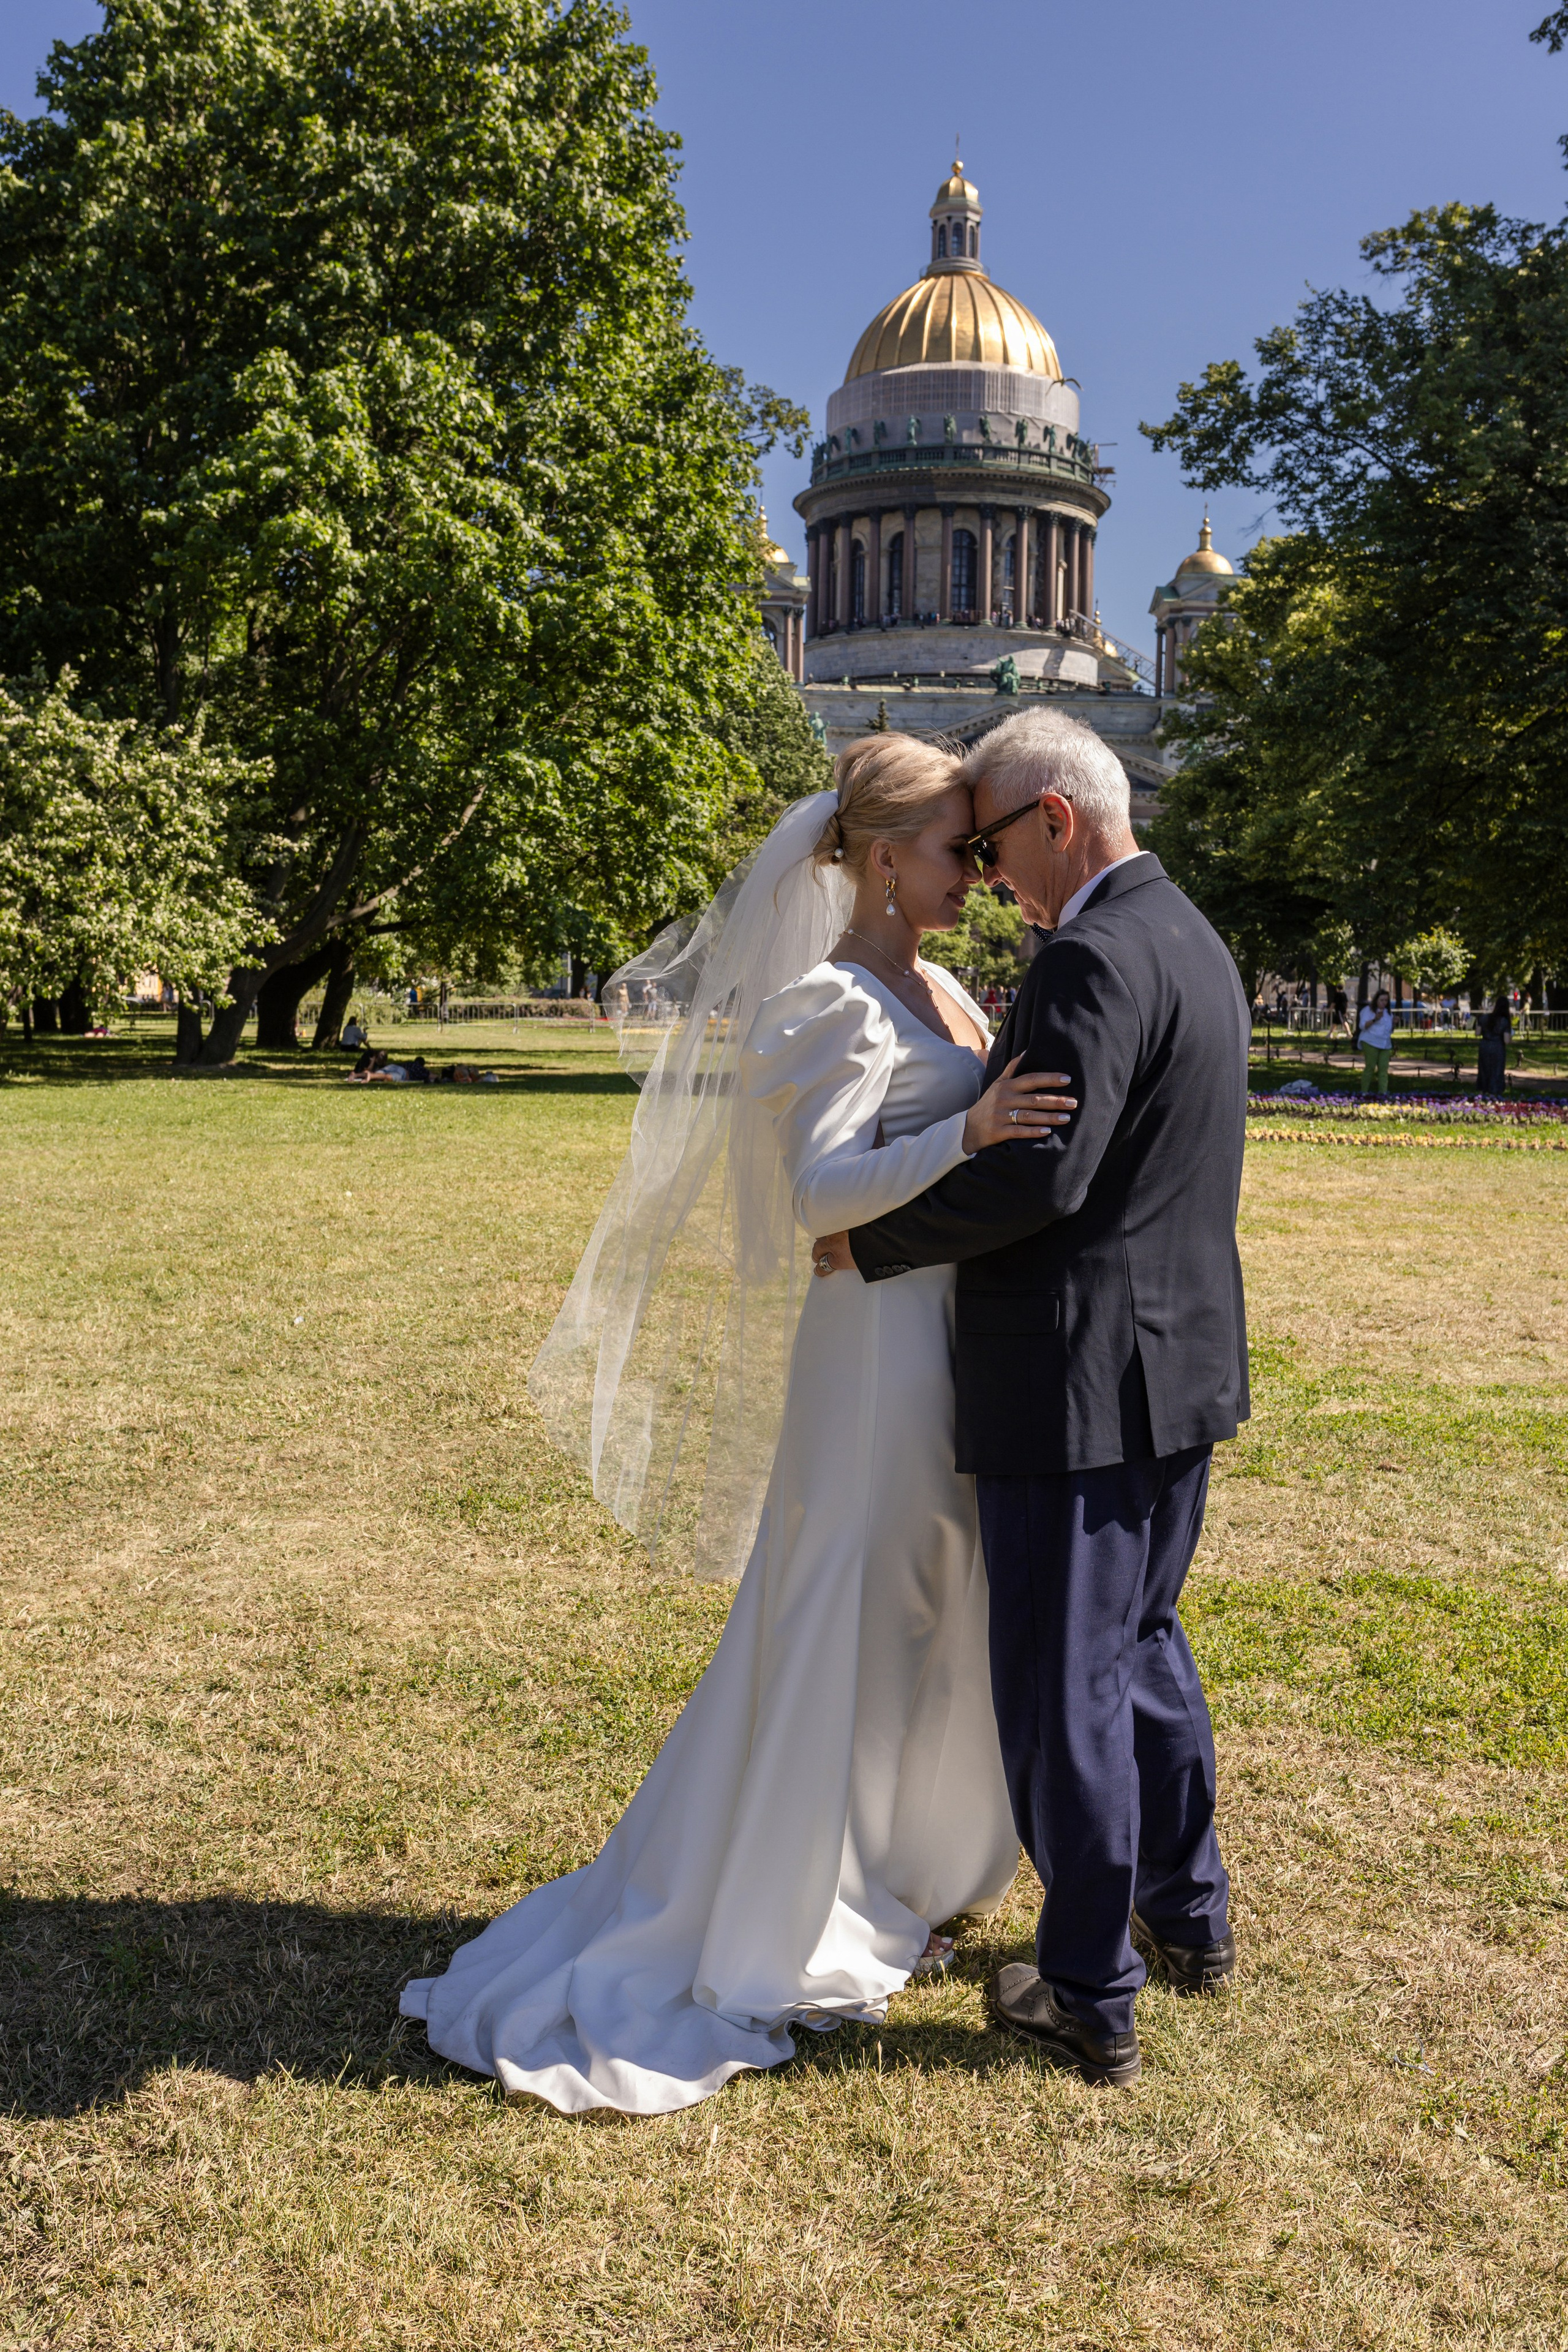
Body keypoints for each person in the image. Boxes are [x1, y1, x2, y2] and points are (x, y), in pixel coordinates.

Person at [400, 736, 1077, 2115]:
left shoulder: (939, 986)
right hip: (876, 1357)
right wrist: (971, 1133)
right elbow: (821, 1197)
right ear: (880, 857)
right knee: (845, 1609)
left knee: (929, 1610)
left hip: (945, 1344)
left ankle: (897, 1869)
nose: (977, 873)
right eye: (955, 849)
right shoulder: (826, 1003)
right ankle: (788, 1901)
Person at [814, 707, 1248, 2087]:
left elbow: (1044, 1178)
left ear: (1052, 819)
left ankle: (1084, 1990)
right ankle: (1187, 1921)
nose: (989, 877)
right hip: (1175, 1370)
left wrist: (865, 1242)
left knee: (1062, 1685)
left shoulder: (1083, 959)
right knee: (1143, 1657)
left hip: (1070, 1380)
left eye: (993, 844)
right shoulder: (1189, 936)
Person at [1357, 990, 1395, 1095]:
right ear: (1376, 1000)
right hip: (1370, 1041)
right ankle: (1364, 1092)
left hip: (1385, 1044)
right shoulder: (1368, 1010)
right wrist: (1375, 1019)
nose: (1384, 1003)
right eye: (1382, 1000)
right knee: (1370, 1067)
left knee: (1383, 1069)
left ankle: (1383, 1092)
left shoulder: (1388, 1013)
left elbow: (1390, 1030)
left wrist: (1394, 1023)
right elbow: (1363, 1026)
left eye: (1386, 1000)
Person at [1477, 990, 1513, 1095]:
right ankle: (1495, 1090)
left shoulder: (1484, 1018)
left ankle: (1483, 1089)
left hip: (1484, 1045)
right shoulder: (1505, 1022)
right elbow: (1506, 1040)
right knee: (1497, 1069)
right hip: (1498, 1046)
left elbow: (1477, 1033)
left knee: (1484, 1068)